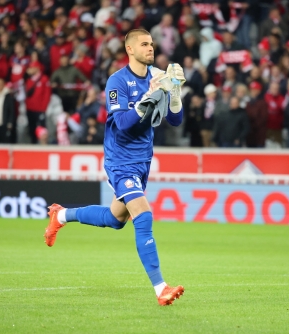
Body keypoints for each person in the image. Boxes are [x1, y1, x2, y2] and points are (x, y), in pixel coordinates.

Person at [44, 29, 186, 306]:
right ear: (129, 49)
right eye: (144, 44)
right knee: (143, 216)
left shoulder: (157, 76)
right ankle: (161, 288)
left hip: (142, 160)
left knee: (115, 219)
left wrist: (176, 93)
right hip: (120, 160)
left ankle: (61, 216)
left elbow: (176, 121)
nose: (150, 48)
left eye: (152, 44)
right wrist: (150, 97)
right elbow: (121, 124)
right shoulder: (117, 81)